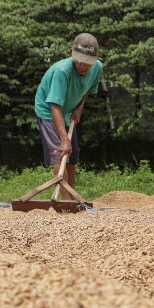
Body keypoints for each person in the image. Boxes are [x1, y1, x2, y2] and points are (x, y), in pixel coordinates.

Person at [33, 33, 103, 198]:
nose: (82, 65)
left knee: (72, 157)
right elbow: (55, 107)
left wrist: (79, 108)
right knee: (61, 153)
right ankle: (66, 203)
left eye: (87, 62)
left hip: (69, 109)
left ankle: (70, 196)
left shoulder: (97, 67)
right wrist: (64, 140)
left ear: (96, 58)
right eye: (78, 59)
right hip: (49, 110)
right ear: (71, 52)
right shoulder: (61, 71)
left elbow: (87, 90)